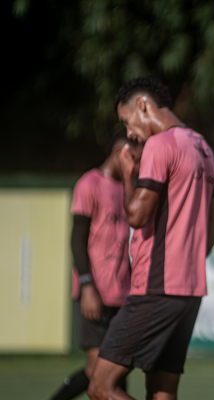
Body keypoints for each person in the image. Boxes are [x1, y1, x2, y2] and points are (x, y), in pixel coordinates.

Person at [87, 76, 214, 400]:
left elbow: (136, 215)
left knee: (100, 387)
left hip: (155, 287)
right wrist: (187, 259)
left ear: (143, 105)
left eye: (126, 120)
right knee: (162, 393)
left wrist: (130, 179)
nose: (129, 132)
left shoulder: (161, 144)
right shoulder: (202, 146)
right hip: (190, 291)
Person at [49, 129, 143, 400]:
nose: (136, 165)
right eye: (133, 158)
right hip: (96, 293)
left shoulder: (131, 191)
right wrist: (87, 285)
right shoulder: (90, 183)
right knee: (98, 370)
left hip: (123, 295)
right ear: (120, 153)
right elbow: (77, 240)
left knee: (114, 369)